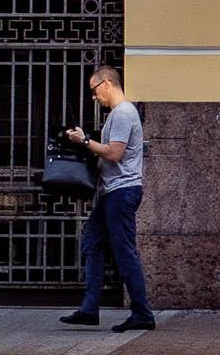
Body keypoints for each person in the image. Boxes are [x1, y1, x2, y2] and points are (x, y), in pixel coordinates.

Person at [59, 65, 155, 333]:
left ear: (107, 83)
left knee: (124, 251)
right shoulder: (117, 114)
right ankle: (90, 309)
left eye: (94, 89)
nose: (94, 96)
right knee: (92, 240)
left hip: (122, 192)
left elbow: (114, 153)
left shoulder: (123, 113)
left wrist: (84, 141)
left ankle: (143, 314)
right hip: (113, 192)